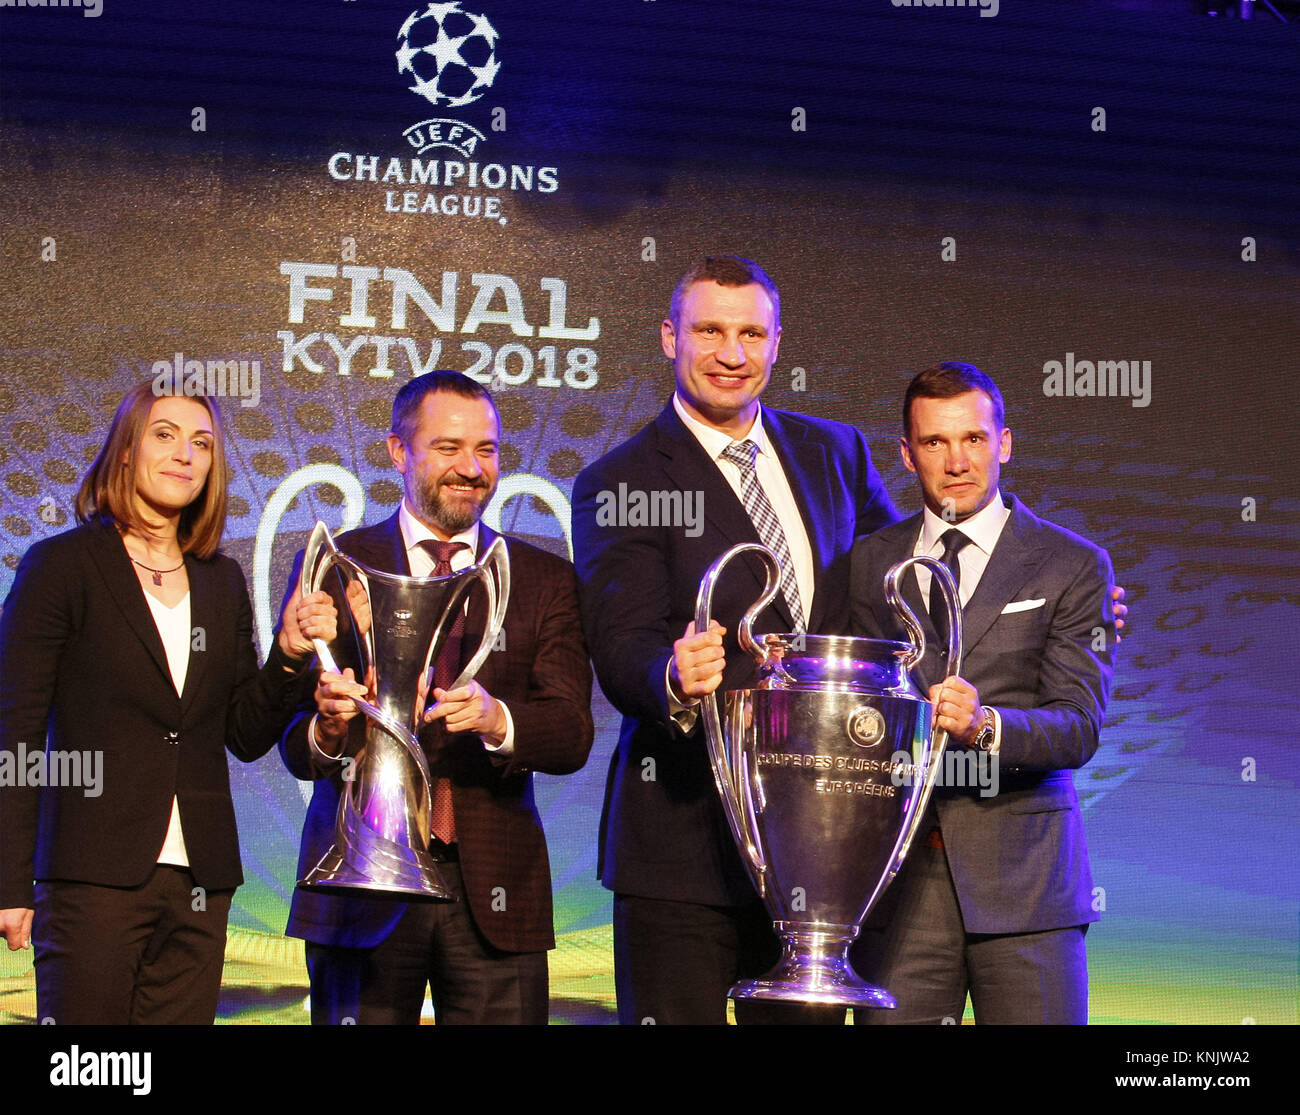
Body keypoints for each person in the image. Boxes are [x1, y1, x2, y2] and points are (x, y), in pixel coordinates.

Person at [570, 255, 900, 1024]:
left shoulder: (836, 453)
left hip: (820, 847)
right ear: (668, 337)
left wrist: (1042, 583)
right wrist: (671, 674)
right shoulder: (624, 479)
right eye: (709, 330)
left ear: (778, 343)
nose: (731, 352)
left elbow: (903, 575)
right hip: (683, 843)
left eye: (751, 332)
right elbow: (619, 638)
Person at [0, 379, 329, 1024]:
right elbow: (14, 733)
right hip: (91, 874)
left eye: (201, 443)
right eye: (165, 435)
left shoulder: (220, 579)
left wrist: (289, 653)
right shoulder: (61, 566)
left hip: (201, 880)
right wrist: (9, 880)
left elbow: (242, 731)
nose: (185, 454)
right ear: (125, 451)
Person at [281, 370, 594, 1025]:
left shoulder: (543, 579)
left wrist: (496, 716)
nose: (471, 468)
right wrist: (332, 727)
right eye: (449, 447)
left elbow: (571, 731)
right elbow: (289, 739)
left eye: (487, 450)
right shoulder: (338, 565)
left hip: (494, 894)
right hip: (360, 886)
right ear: (398, 450)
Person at [848, 361, 1115, 1024]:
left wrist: (986, 724)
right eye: (935, 442)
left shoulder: (1073, 564)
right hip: (899, 888)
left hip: (1028, 890)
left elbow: (1078, 725)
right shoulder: (868, 562)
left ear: (1005, 443)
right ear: (908, 455)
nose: (957, 459)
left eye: (973, 438)